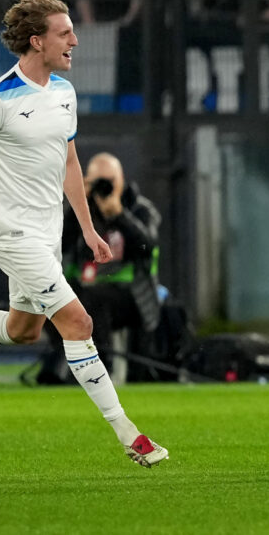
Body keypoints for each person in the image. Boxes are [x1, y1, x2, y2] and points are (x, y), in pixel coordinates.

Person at [0, 0, 168, 468]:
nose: (75, 40)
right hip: (12, 233)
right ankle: (130, 435)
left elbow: (69, 161)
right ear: (36, 40)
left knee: (23, 331)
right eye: (65, 33)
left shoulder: (64, 92)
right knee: (79, 322)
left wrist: (87, 230)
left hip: (47, 233)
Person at [39, 152, 162, 383]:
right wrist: (78, 204)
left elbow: (147, 246)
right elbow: (58, 244)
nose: (105, 188)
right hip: (89, 287)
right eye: (99, 182)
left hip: (133, 295)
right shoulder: (83, 211)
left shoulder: (141, 209)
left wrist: (118, 215)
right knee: (52, 300)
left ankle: (100, 371)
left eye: (110, 181)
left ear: (122, 179)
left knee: (94, 300)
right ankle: (63, 367)